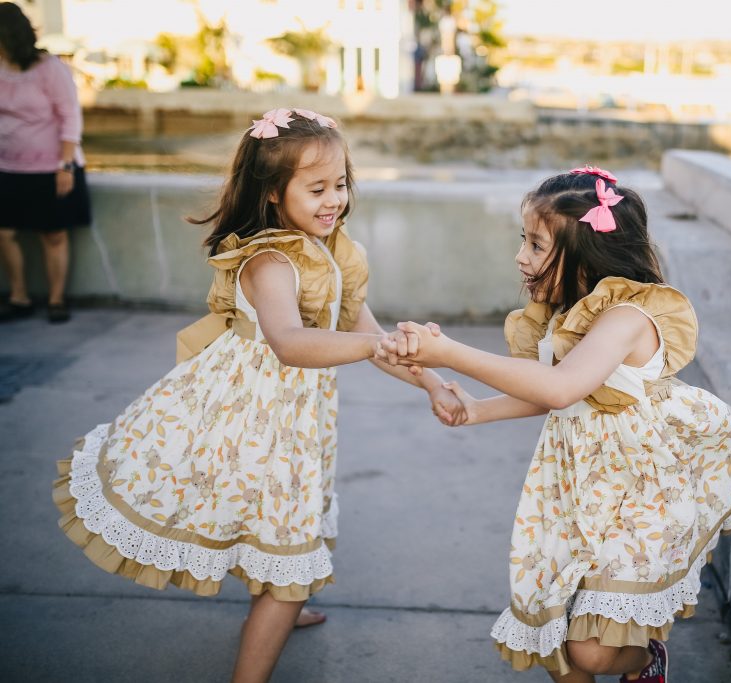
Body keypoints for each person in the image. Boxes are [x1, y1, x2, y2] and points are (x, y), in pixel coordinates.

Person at [52, 108, 465, 683]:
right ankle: (274, 618)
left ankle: (275, 607)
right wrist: (373, 347)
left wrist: (431, 381)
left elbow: (366, 331)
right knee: (287, 557)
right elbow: (291, 342)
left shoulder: (329, 249)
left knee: (270, 525)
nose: (334, 200)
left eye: (340, 184)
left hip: (291, 420)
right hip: (249, 420)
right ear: (273, 192)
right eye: (317, 189)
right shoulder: (270, 261)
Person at [380, 167, 731, 683]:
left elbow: (561, 388)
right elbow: (555, 394)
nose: (521, 257)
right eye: (524, 240)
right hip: (576, 489)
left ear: (588, 254)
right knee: (556, 639)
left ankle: (646, 660)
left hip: (641, 493)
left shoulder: (627, 317)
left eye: (537, 245)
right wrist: (477, 410)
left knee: (592, 653)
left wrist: (448, 352)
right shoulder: (563, 314)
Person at [0, 2, 91, 323]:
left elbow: (70, 117)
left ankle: (56, 300)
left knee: (53, 235)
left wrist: (65, 166)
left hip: (52, 167)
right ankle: (19, 296)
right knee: (4, 233)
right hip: (8, 168)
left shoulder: (50, 68)